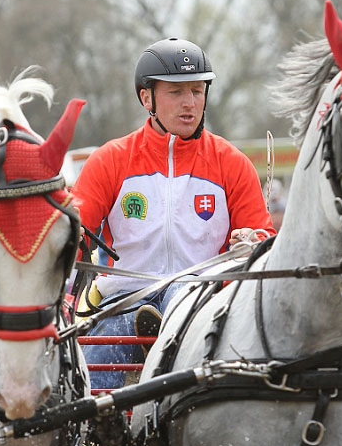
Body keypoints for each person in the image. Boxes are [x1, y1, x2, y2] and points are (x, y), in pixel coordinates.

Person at [72, 36, 275, 389]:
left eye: (197, 91)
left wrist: (253, 240)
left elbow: (263, 241)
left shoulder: (232, 164)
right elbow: (72, 235)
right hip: (122, 298)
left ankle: (161, 324)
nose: (190, 104)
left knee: (180, 293)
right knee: (98, 363)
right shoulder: (110, 159)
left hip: (201, 302)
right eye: (176, 92)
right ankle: (96, 433)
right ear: (146, 97)